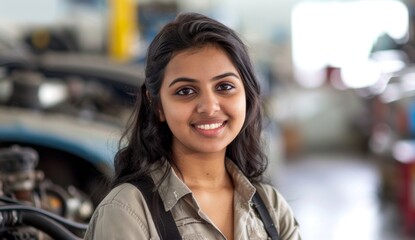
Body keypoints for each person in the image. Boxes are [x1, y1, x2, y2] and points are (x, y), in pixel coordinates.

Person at [84, 12, 300, 240]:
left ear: (246, 95)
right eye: (185, 91)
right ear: (157, 105)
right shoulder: (128, 211)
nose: (209, 107)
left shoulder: (272, 208)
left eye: (225, 86)